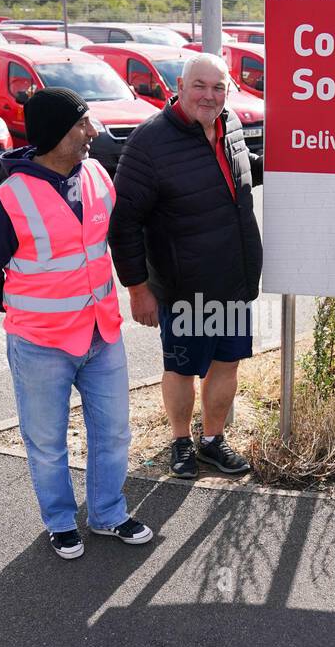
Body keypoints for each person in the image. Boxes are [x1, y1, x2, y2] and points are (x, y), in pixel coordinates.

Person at [0, 86, 152, 559]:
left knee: (113, 432)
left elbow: (110, 241)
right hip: (40, 344)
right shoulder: (10, 199)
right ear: (54, 135)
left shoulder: (95, 175)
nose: (92, 132)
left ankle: (108, 514)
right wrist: (21, 310)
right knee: (47, 441)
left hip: (102, 333)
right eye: (82, 124)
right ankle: (61, 522)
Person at [109, 53, 264, 479]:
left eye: (218, 87)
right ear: (179, 85)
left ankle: (212, 441)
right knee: (180, 369)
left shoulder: (230, 125)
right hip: (183, 287)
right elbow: (123, 223)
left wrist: (273, 165)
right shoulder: (149, 142)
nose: (209, 95)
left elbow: (236, 172)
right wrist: (138, 289)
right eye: (200, 85)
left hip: (233, 279)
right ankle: (180, 441)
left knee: (227, 364)